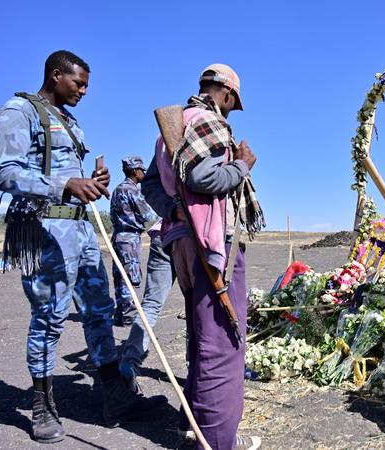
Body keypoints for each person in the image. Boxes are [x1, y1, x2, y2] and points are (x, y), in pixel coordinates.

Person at [0, 50, 166, 444]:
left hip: (82, 230)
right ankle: (42, 407)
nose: (84, 91)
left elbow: (68, 176)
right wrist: (65, 186)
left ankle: (115, 399)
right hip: (44, 230)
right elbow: (4, 172)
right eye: (78, 83)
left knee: (99, 311)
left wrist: (91, 180)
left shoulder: (68, 121)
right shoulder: (19, 111)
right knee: (49, 317)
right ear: (55, 76)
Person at [146, 63, 264, 449]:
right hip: (213, 246)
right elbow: (204, 179)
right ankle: (214, 441)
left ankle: (198, 423)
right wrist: (242, 165)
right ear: (226, 94)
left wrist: (174, 209)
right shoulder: (209, 121)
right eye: (233, 103)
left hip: (183, 243)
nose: (232, 110)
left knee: (201, 336)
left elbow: (151, 185)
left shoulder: (174, 126)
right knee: (224, 344)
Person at [119, 218, 177, 387]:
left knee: (151, 304)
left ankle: (129, 361)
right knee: (195, 304)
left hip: (163, 231)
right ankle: (196, 367)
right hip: (188, 235)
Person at [110, 156, 157, 326]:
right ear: (134, 171)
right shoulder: (132, 190)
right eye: (142, 170)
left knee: (120, 275)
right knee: (131, 276)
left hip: (118, 237)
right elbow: (147, 215)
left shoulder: (117, 189)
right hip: (130, 238)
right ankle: (129, 316)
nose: (144, 172)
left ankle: (121, 314)